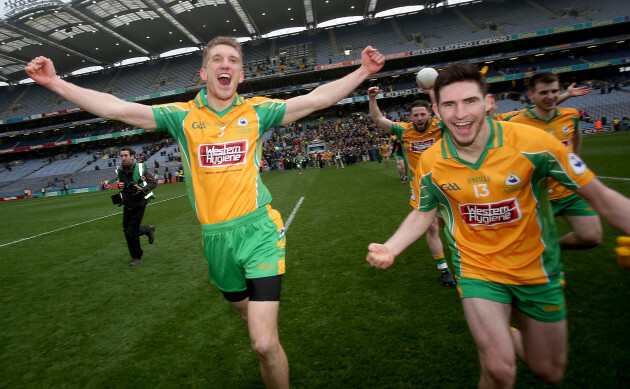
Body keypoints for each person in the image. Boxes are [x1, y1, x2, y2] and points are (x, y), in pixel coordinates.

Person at [26, 37, 384, 389]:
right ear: (203, 72)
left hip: (259, 229)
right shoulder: (181, 117)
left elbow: (316, 99)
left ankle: (267, 342)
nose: (225, 65)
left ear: (241, 74)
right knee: (249, 319)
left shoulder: (257, 111)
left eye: (232, 60)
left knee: (261, 342)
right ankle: (264, 331)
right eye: (217, 59)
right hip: (215, 240)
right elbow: (117, 108)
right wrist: (55, 82)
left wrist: (362, 72)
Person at [366, 62, 630, 388]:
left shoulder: (534, 143)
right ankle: (495, 342)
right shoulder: (433, 162)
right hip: (477, 268)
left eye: (469, 102)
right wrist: (391, 248)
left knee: (549, 370)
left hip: (536, 267)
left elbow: (601, 197)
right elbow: (423, 213)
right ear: (437, 109)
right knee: (500, 370)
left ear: (487, 101)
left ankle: (504, 336)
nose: (460, 114)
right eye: (449, 104)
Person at [368, 89, 455, 287]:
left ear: (429, 114)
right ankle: (444, 270)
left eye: (422, 114)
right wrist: (372, 98)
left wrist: (433, 93)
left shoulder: (440, 126)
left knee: (450, 225)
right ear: (410, 117)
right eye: (415, 115)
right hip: (422, 186)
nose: (419, 118)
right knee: (431, 227)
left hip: (448, 182)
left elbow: (449, 111)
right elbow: (378, 118)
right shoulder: (404, 130)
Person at [504, 72, 602, 249]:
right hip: (534, 196)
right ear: (531, 95)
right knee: (522, 247)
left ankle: (552, 246)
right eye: (543, 93)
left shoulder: (571, 116)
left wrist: (575, 156)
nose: (550, 97)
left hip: (568, 190)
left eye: (554, 91)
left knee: (592, 236)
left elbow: (576, 134)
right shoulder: (515, 122)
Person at [115, 146, 157, 266]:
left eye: (126, 155)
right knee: (126, 230)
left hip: (139, 202)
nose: (123, 158)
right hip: (127, 202)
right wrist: (120, 187)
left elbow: (153, 182)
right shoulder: (120, 170)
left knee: (131, 231)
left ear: (132, 156)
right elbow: (123, 185)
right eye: (121, 156)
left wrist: (142, 189)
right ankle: (148, 230)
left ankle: (137, 257)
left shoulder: (140, 168)